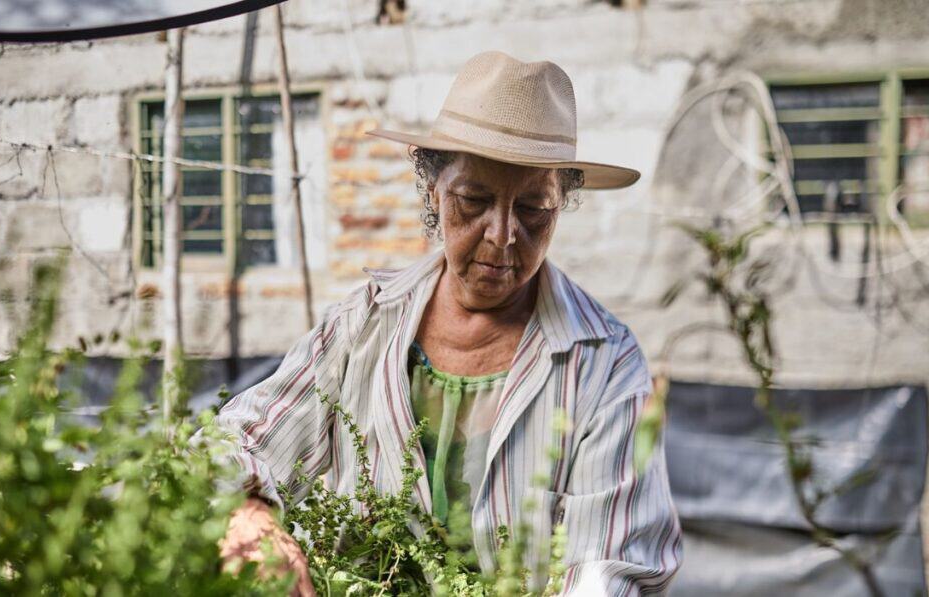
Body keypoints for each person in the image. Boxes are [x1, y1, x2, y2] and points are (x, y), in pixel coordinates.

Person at [214, 50, 683, 596]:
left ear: (561, 206)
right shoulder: (364, 324)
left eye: (534, 209)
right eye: (474, 200)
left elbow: (606, 567)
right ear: (433, 192)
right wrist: (250, 515)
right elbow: (239, 440)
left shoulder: (604, 363)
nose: (502, 234)